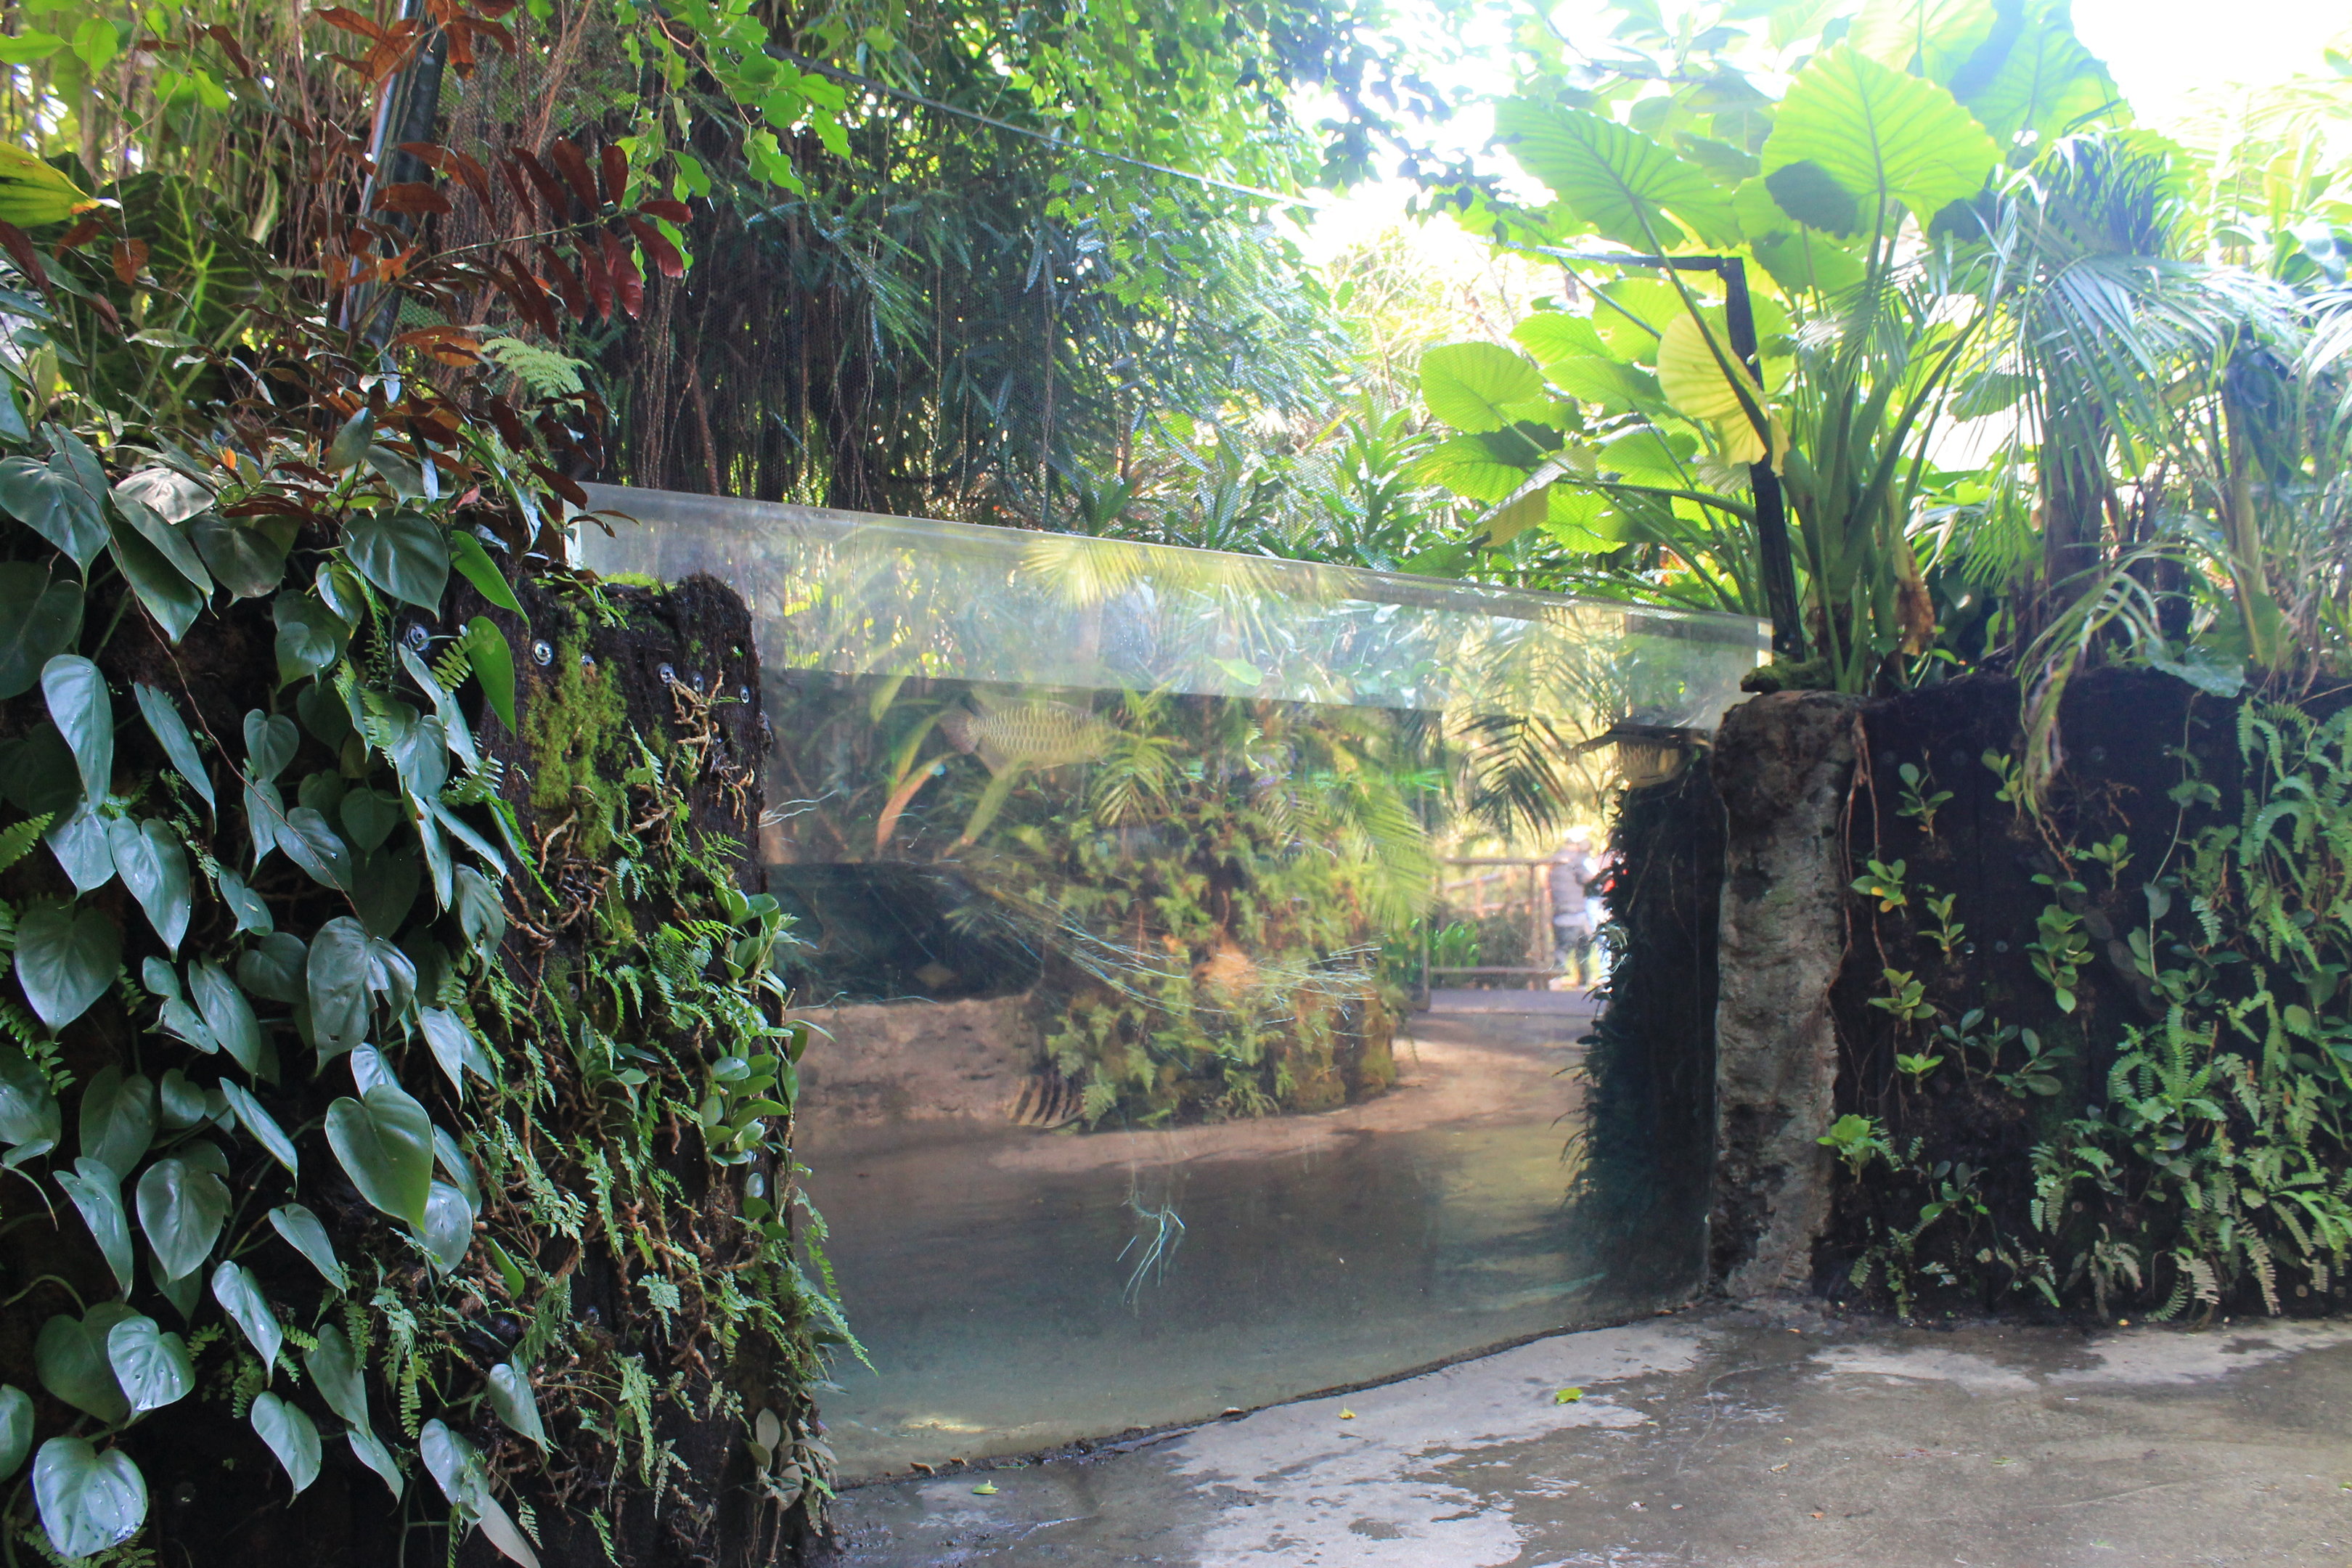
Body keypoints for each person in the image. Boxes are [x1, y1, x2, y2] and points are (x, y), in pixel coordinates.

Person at [1550, 828, 1598, 985]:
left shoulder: (1555, 861)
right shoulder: (1577, 862)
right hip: (1578, 914)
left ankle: (1555, 982)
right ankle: (1583, 983)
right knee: (1583, 950)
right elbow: (1591, 881)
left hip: (1560, 913)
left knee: (1561, 951)